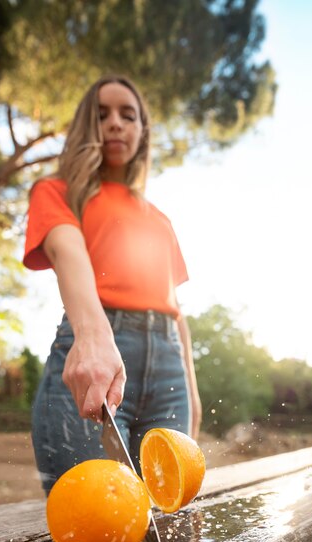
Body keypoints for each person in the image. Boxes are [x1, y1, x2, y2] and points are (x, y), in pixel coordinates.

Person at [23, 75, 201, 494]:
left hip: (169, 370)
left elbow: (174, 308)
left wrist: (191, 392)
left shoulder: (160, 220)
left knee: (173, 518)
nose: (116, 124)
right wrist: (93, 335)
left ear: (143, 130)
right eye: (102, 115)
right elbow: (69, 255)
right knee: (96, 521)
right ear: (87, 126)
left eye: (128, 115)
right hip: (94, 354)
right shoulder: (57, 191)